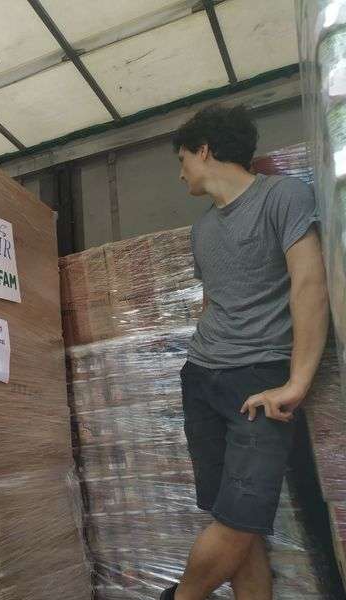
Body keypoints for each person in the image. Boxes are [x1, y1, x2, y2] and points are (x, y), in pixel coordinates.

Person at [161, 105, 329, 600]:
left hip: (258, 379)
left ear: (204, 150)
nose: (180, 173)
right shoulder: (202, 230)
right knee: (233, 518)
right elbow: (213, 302)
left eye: (182, 159)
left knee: (240, 519)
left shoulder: (284, 196)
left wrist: (297, 381)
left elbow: (309, 284)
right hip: (201, 377)